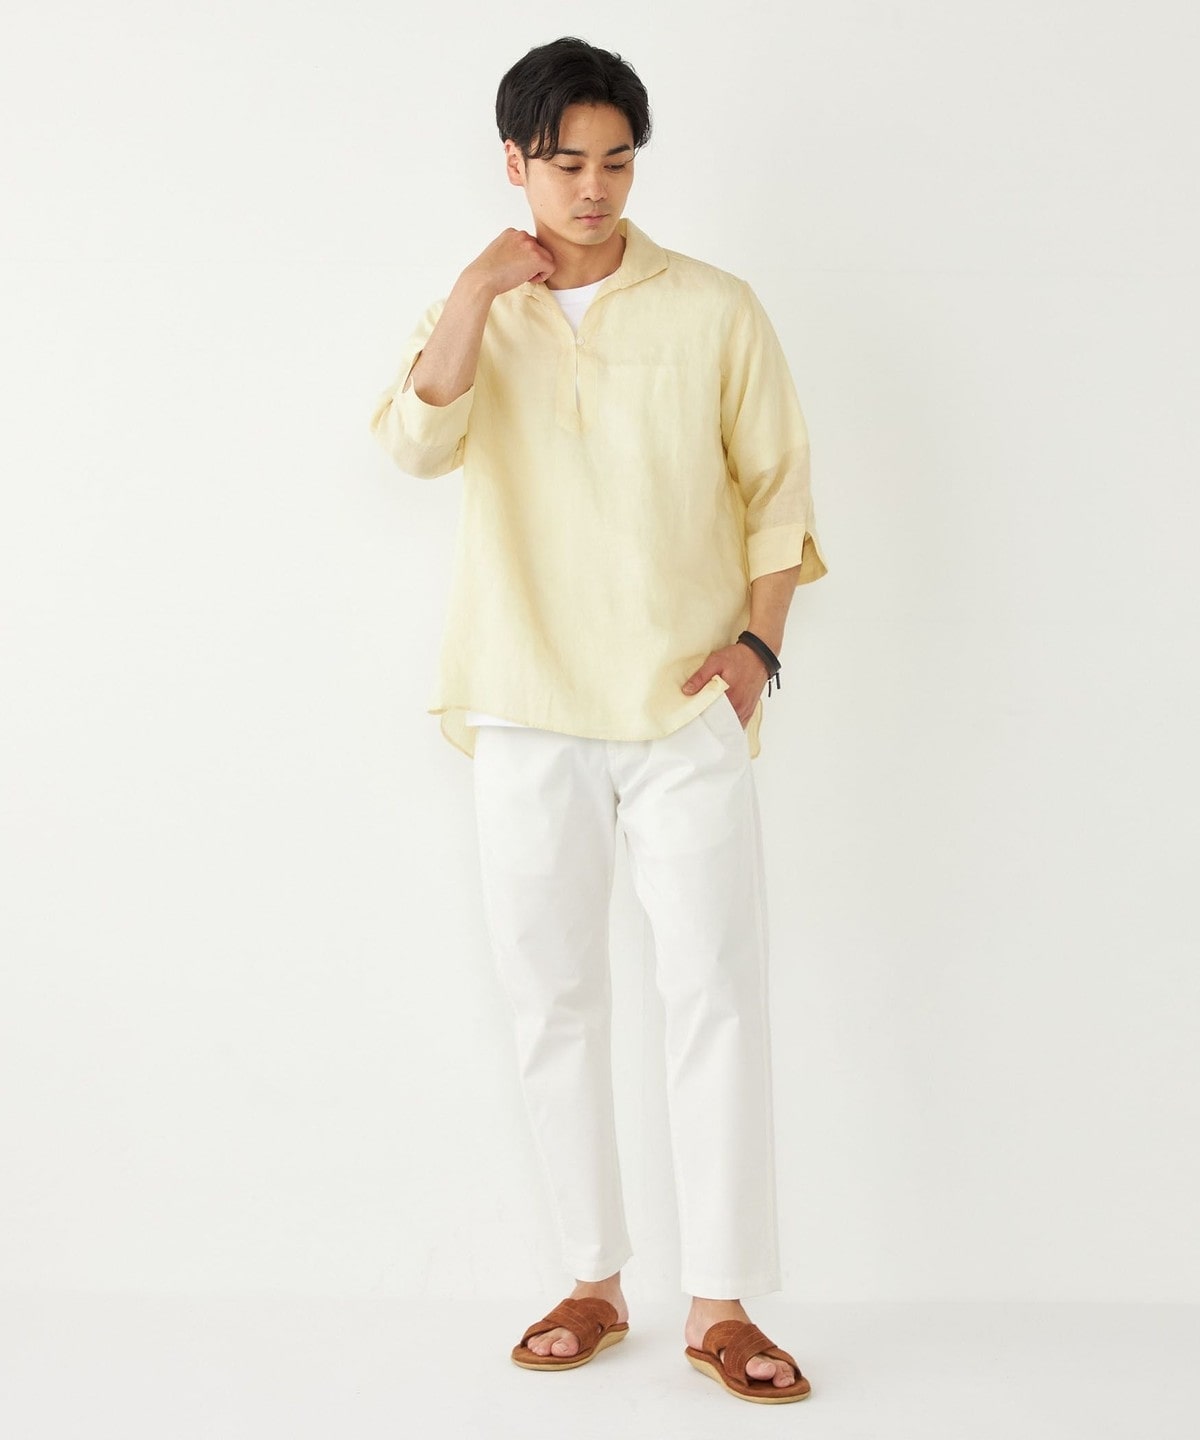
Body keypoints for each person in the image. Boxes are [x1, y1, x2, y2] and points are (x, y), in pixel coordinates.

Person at [369, 35, 827, 1405]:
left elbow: (779, 492)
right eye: (564, 162)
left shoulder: (715, 307)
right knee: (552, 994)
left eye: (617, 161)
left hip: (684, 706)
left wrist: (758, 648)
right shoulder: (478, 313)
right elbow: (412, 441)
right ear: (514, 164)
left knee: (715, 993)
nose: (593, 188)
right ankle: (591, 1274)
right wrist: (475, 287)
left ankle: (721, 1303)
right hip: (523, 701)